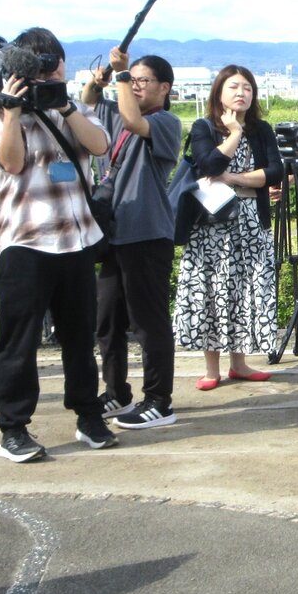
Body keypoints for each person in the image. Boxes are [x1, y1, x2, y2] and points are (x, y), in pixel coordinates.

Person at [0, 27, 117, 461]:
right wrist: (11, 111)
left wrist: (65, 105)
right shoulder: (2, 114)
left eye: (55, 61)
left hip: (76, 240)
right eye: (40, 64)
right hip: (26, 242)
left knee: (80, 338)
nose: (50, 70)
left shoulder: (73, 108)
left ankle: (89, 417)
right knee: (18, 342)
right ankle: (13, 429)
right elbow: (11, 163)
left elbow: (100, 145)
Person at [81, 48, 182, 430]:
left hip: (147, 233)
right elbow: (88, 102)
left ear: (164, 87)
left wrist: (122, 77)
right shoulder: (116, 112)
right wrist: (101, 78)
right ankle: (117, 392)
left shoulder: (167, 122)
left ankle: (159, 400)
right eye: (133, 80)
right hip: (114, 234)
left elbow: (132, 120)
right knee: (107, 319)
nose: (136, 86)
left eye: (143, 81)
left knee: (148, 321)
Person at [174, 65, 285, 389]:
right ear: (219, 92)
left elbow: (274, 172)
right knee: (212, 290)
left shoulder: (261, 129)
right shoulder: (203, 127)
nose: (242, 93)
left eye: (248, 88)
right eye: (234, 87)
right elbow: (209, 164)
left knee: (245, 289)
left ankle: (239, 363)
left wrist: (234, 178)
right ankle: (212, 369)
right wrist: (234, 133)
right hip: (211, 225)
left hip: (251, 222)